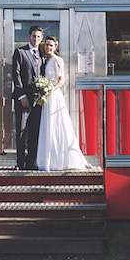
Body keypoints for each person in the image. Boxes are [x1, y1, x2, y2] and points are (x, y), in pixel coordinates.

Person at [36, 35, 93, 171]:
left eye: (51, 45)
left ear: (55, 47)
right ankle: (48, 158)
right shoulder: (45, 60)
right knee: (47, 126)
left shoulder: (57, 60)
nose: (48, 47)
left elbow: (61, 80)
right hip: (45, 97)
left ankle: (62, 160)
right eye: (46, 45)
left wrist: (50, 90)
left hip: (53, 96)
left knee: (57, 124)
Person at [12, 25, 44, 169]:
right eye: (33, 36)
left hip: (37, 101)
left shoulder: (42, 54)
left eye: (38, 36)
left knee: (34, 131)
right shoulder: (20, 52)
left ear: (41, 38)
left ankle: (31, 161)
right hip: (23, 100)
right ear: (29, 37)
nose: (36, 39)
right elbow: (16, 74)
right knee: (21, 131)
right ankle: (20, 162)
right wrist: (21, 95)